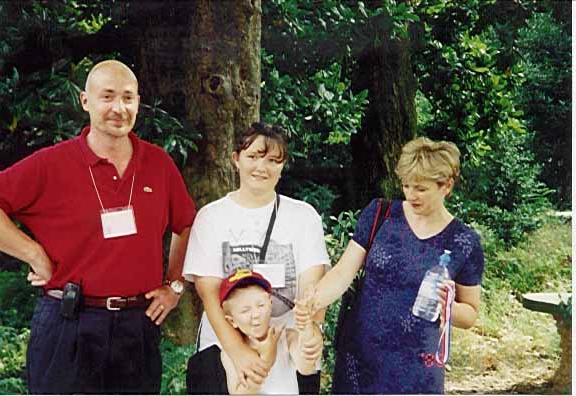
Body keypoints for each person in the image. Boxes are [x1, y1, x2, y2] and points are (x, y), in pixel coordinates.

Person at [0, 60, 196, 394]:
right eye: (107, 97)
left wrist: (174, 285)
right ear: (85, 101)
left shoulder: (158, 163)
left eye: (128, 98)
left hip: (137, 326)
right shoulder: (52, 163)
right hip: (69, 323)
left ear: (138, 102)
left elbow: (187, 225)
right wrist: (32, 252)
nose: (118, 108)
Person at [300, 136, 484, 394]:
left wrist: (449, 308)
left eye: (421, 188)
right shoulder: (380, 214)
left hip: (417, 369)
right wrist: (311, 301)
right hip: (359, 360)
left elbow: (471, 314)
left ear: (447, 185)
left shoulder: (464, 241)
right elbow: (342, 273)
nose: (411, 194)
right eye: (406, 185)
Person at [182, 122, 330, 393]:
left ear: (283, 166)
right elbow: (209, 295)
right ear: (236, 159)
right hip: (224, 348)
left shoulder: (304, 216)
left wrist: (311, 333)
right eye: (253, 157)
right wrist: (239, 351)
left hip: (287, 345)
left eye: (273, 160)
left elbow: (312, 288)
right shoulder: (211, 217)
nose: (262, 168)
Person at [207, 269, 321, 394]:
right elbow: (240, 393)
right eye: (245, 310)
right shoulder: (231, 354)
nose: (255, 314)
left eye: (261, 305)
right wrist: (266, 360)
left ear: (270, 304)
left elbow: (307, 367)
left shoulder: (286, 337)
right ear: (231, 321)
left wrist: (306, 327)